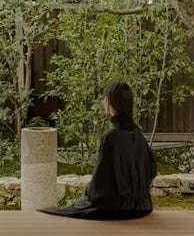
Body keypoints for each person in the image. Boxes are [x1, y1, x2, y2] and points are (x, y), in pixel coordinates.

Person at [43, 80, 156, 220]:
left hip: (118, 209)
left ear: (109, 103)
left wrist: (88, 193)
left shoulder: (110, 137)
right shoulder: (138, 133)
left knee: (72, 207)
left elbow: (99, 187)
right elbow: (151, 170)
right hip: (143, 206)